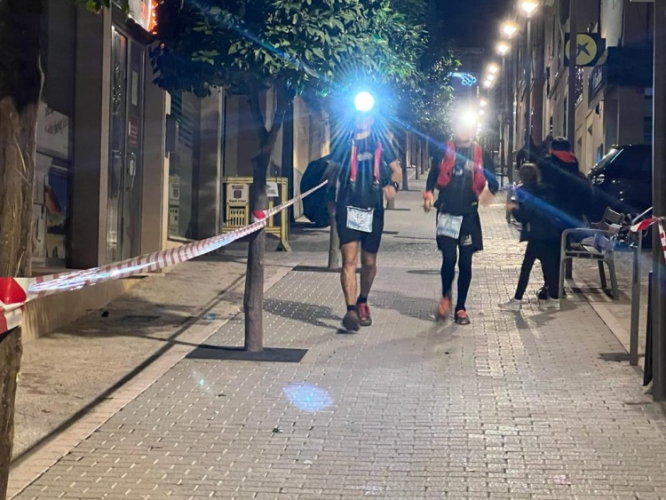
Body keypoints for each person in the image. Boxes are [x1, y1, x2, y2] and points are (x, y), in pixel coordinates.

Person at [326, 111, 402, 332]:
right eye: (358, 115)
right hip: (347, 208)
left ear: (371, 119)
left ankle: (362, 300)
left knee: (369, 262)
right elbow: (332, 172)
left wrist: (393, 186)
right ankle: (350, 310)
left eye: (366, 116)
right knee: (349, 261)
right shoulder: (343, 143)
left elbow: (396, 170)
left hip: (373, 210)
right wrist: (330, 197)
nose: (361, 120)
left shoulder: (380, 142)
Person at [423, 112, 499, 325]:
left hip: (469, 216)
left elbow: (494, 180)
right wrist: (428, 193)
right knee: (449, 259)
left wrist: (490, 192)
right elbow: (433, 173)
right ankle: (446, 296)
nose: (464, 131)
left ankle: (461, 308)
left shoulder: (480, 153)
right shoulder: (444, 150)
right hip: (447, 212)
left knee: (466, 263)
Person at [535, 137, 592, 300]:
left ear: (552, 149)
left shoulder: (545, 165)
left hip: (550, 220)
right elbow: (587, 200)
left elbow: (540, 189)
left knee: (543, 247)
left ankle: (551, 285)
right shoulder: (575, 167)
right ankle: (555, 285)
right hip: (572, 222)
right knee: (556, 248)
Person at [499, 163, 560, 311]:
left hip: (537, 233)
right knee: (547, 265)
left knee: (527, 267)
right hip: (550, 231)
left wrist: (512, 207)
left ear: (522, 176)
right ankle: (554, 298)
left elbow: (523, 216)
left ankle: (517, 300)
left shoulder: (523, 191)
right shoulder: (544, 188)